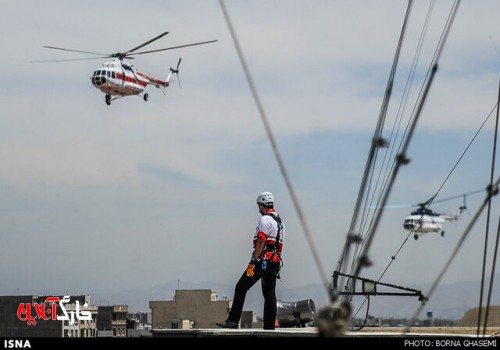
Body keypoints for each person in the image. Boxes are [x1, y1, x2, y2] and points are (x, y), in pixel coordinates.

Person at [217, 191, 285, 330]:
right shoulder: (280, 222)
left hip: (262, 261)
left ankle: (233, 321)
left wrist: (253, 260)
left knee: (241, 287)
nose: (258, 208)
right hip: (275, 262)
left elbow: (260, 241)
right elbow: (279, 245)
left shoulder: (265, 220)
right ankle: (269, 327)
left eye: (259, 205)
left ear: (261, 205)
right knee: (270, 294)